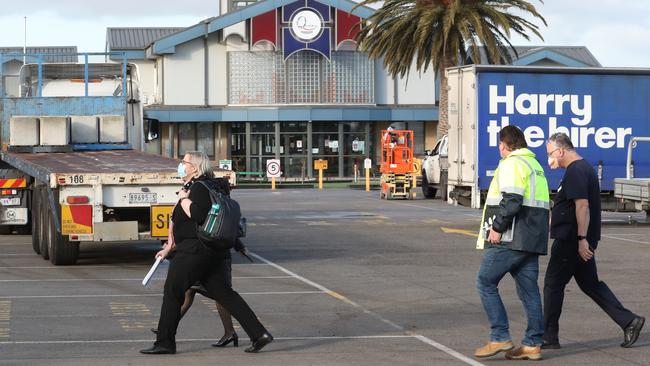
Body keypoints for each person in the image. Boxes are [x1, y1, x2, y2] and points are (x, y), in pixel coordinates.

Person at [140, 151, 273, 355]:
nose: (181, 165)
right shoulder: (211, 186)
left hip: (194, 251)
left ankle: (165, 342)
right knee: (226, 294)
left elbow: (199, 215)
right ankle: (259, 334)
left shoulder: (198, 188)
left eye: (184, 162)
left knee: (173, 293)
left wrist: (184, 199)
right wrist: (169, 246)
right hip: (213, 252)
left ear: (195, 167)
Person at [542, 132, 644, 349]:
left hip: (571, 241)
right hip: (577, 240)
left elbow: (582, 207)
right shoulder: (579, 169)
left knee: (553, 285)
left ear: (561, 151)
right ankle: (629, 321)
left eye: (550, 154)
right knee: (591, 285)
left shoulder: (577, 171)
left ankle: (548, 337)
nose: (549, 158)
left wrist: (581, 239)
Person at [475, 126, 550, 361]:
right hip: (532, 239)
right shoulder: (535, 165)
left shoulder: (511, 163)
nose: (499, 148)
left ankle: (500, 336)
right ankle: (532, 344)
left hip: (511, 238)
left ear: (505, 144)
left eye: (500, 144)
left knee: (485, 282)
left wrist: (497, 228)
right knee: (530, 292)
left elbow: (513, 200)